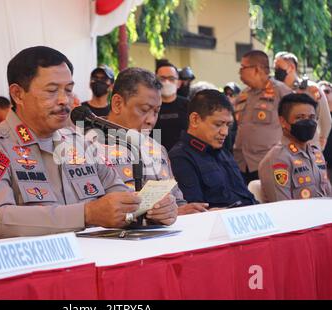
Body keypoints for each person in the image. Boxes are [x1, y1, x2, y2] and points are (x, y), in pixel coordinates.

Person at [0, 46, 177, 242]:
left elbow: (121, 198)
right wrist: (86, 214)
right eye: (52, 90)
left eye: (68, 90)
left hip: (89, 263)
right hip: (21, 274)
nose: (65, 100)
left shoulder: (79, 143)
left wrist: (153, 211)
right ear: (18, 94)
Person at [90, 67, 209, 214]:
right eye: (144, 109)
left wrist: (182, 211)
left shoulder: (158, 149)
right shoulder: (86, 148)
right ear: (117, 104)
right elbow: (90, 214)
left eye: (156, 111)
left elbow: (177, 201)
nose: (151, 120)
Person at [169, 90, 258, 208]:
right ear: (195, 119)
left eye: (228, 125)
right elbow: (196, 211)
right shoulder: (180, 158)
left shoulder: (224, 153)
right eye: (218, 124)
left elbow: (245, 196)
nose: (225, 132)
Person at [259, 93, 331, 202]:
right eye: (299, 118)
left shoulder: (316, 153)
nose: (307, 122)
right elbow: (283, 207)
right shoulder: (278, 158)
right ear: (283, 121)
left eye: (311, 117)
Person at [234, 50, 292, 185]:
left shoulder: (281, 92)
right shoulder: (243, 95)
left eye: (243, 67)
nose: (239, 71)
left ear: (257, 69)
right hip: (242, 163)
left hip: (269, 162)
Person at [274, 52, 331, 150]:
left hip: (308, 147)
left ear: (291, 67)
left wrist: (322, 138)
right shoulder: (275, 91)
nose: (276, 71)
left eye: (278, 67)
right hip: (284, 148)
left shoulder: (311, 89)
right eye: (275, 68)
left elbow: (326, 119)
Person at [154, 60, 189, 152]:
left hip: (183, 158)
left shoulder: (189, 106)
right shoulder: (148, 107)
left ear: (179, 83)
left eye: (171, 78)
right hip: (155, 157)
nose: (167, 82)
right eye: (162, 79)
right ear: (155, 81)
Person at [318, 81, 332, 179]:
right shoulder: (314, 115)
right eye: (321, 92)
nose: (324, 94)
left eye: (327, 91)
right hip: (321, 163)